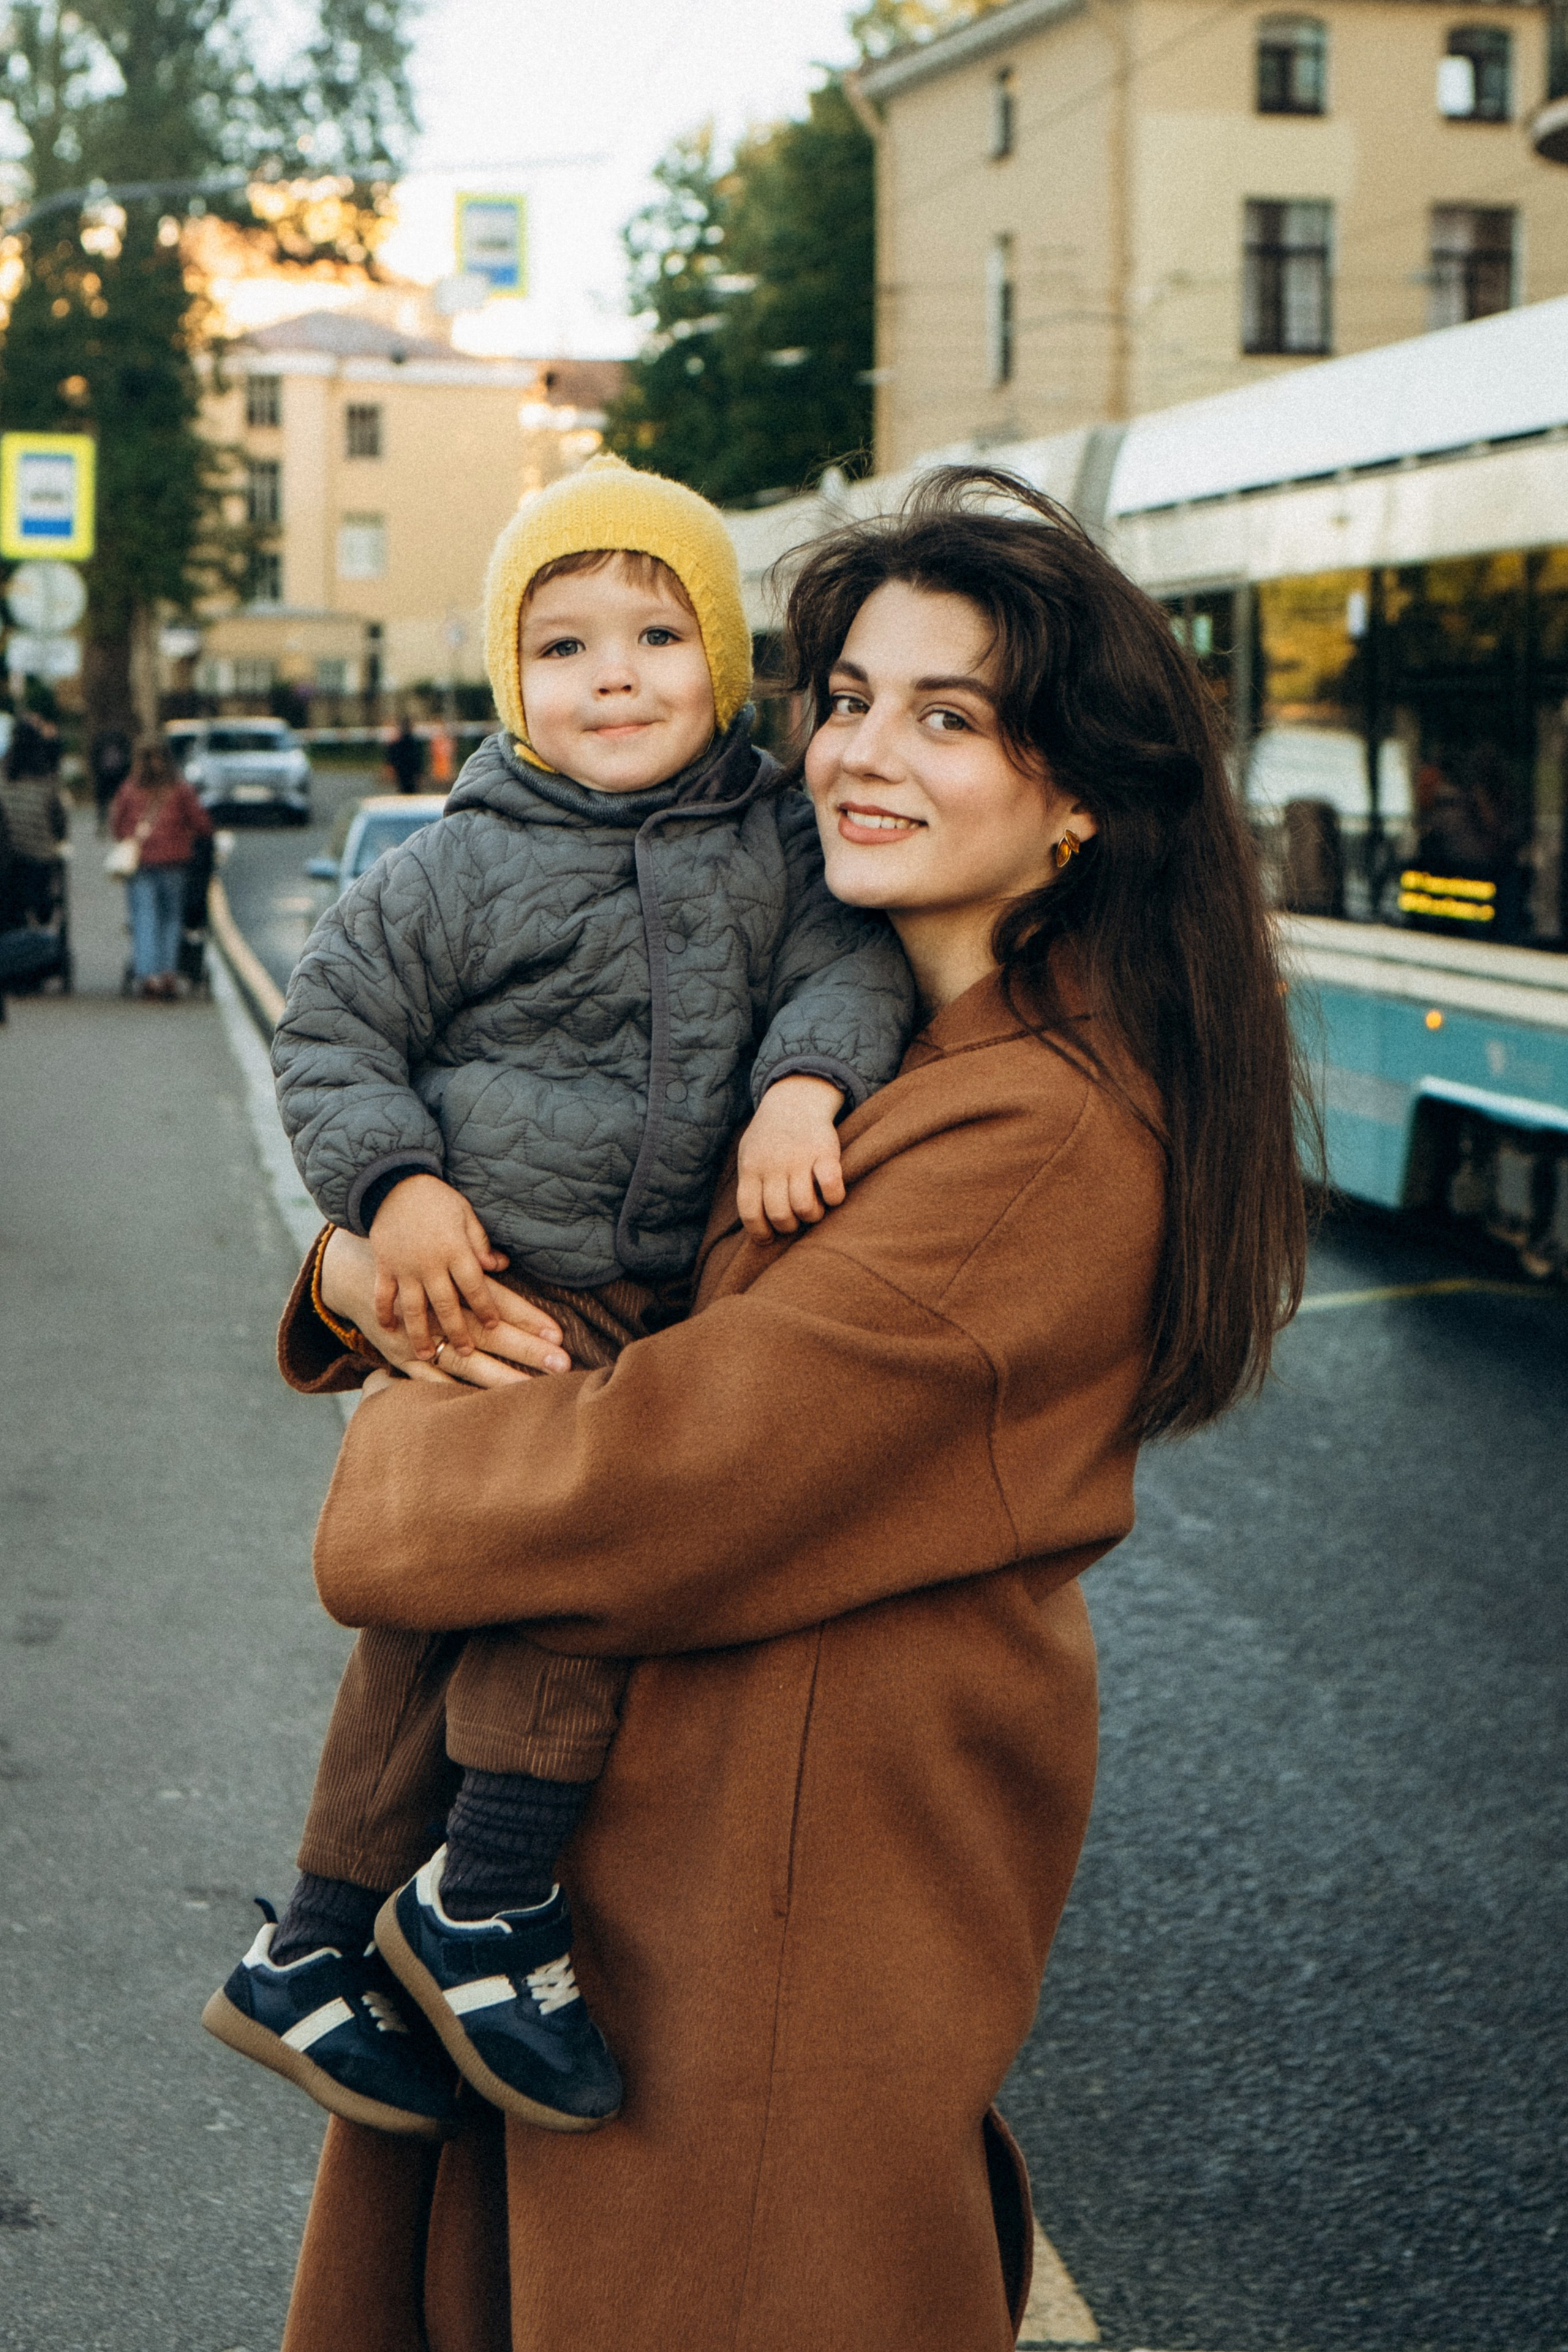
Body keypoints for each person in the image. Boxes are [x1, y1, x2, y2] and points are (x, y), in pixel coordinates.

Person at [265, 468, 1308, 2352]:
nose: (858, 751)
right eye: (844, 696)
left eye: (950, 715)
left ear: (1078, 802)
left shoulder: (1036, 1129)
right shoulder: (853, 1042)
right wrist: (361, 1267)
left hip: (758, 1971)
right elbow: (585, 1245)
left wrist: (400, 1408)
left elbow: (636, 1481)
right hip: (633, 1915)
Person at [203, 454, 916, 2140]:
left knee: (453, 1606)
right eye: (565, 643)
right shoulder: (457, 862)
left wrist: (808, 1085)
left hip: (648, 1288)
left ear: (728, 662)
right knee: (568, 1582)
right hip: (496, 1287)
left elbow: (847, 966)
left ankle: (314, 1943)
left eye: (659, 635)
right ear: (510, 681)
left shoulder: (776, 836)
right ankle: (490, 1897)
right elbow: (332, 1038)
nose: (614, 675)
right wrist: (402, 1193)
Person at [108, 736, 213, 998]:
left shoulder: (129, 790)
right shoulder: (181, 790)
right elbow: (202, 825)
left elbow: (117, 826)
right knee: (171, 918)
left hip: (141, 864)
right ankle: (168, 973)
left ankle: (148, 976)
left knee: (144, 918)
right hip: (175, 863)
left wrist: (133, 836)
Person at [1, 713, 69, 927]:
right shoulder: (47, 782)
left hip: (9, 857)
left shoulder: (3, 779)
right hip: (39, 856)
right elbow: (59, 822)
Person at [89, 726, 134, 832]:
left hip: (103, 775)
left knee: (103, 802)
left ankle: (102, 824)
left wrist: (96, 772)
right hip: (119, 775)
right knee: (120, 799)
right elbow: (128, 755)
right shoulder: (121, 738)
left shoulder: (100, 739)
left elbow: (93, 757)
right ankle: (119, 822)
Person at [383, 715, 428, 794]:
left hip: (401, 771)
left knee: (403, 790)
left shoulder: (397, 742)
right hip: (412, 772)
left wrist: (391, 768)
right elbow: (419, 758)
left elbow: (392, 757)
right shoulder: (415, 743)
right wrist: (420, 772)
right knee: (413, 791)